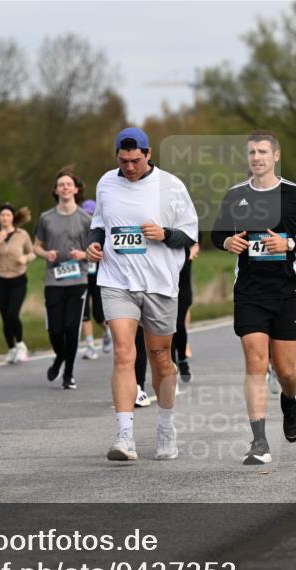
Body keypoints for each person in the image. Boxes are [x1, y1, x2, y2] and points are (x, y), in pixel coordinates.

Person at [211, 130, 296, 465]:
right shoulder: (235, 195)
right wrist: (226, 243)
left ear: (276, 156)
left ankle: (289, 401)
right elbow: (218, 233)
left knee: (286, 370)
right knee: (255, 363)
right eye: (252, 152)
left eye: (263, 151)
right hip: (249, 291)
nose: (257, 158)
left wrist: (290, 244)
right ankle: (259, 441)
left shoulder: (295, 195)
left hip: (286, 292)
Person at [85, 127, 199, 462]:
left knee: (161, 358)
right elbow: (100, 224)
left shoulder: (171, 186)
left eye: (136, 160)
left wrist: (164, 233)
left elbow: (189, 235)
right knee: (123, 353)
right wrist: (92, 243)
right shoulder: (106, 183)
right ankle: (124, 436)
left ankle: (166, 426)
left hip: (160, 283)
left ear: (148, 154)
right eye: (124, 161)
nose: (130, 167)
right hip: (117, 280)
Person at [34, 168, 92, 390]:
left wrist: (84, 254)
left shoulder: (86, 219)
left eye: (69, 184)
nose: (65, 188)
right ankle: (60, 357)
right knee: (56, 330)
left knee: (71, 328)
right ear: (56, 190)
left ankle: (68, 373)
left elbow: (97, 249)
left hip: (78, 280)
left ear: (76, 190)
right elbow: (36, 246)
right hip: (53, 280)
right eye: (61, 185)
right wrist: (45, 254)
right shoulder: (46, 218)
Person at [0, 204, 36, 364]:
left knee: (12, 314)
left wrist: (25, 258)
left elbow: (32, 252)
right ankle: (11, 348)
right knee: (5, 318)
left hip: (18, 279)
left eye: (8, 215)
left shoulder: (22, 234)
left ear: (12, 217)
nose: (5, 218)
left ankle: (21, 345)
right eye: (2, 215)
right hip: (0, 280)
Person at [80, 199, 110, 359]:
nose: (88, 217)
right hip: (80, 275)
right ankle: (90, 346)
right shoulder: (77, 228)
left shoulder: (101, 230)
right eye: (85, 214)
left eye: (91, 214)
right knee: (84, 312)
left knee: (98, 313)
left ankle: (107, 332)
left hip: (97, 276)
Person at [172, 239, 200, 383]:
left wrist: (189, 255)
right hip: (163, 278)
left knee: (178, 325)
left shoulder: (188, 219)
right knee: (167, 327)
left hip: (183, 280)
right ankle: (171, 367)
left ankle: (182, 358)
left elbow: (195, 244)